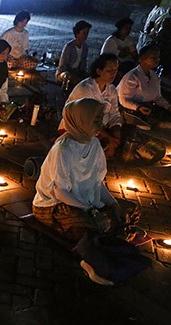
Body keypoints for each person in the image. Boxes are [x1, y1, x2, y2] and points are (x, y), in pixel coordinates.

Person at [32, 98, 140, 249]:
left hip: (86, 202)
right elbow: (60, 191)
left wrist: (113, 204)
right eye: (95, 120)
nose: (101, 125)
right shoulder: (64, 149)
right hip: (55, 204)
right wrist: (92, 211)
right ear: (81, 120)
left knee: (129, 210)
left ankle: (110, 233)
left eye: (100, 119)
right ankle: (109, 235)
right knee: (87, 229)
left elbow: (97, 183)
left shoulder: (94, 143)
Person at [60, 54, 123, 158]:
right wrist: (108, 138)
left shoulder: (111, 90)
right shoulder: (86, 89)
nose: (113, 74)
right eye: (109, 71)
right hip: (78, 130)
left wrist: (116, 134)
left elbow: (114, 114)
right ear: (99, 71)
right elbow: (86, 122)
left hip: (99, 128)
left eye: (115, 70)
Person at [117, 44, 171, 127]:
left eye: (158, 57)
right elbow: (123, 100)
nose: (157, 60)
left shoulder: (154, 77)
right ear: (142, 59)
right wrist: (138, 107)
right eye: (153, 57)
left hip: (146, 109)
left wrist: (168, 107)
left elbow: (157, 97)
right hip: (130, 110)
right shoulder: (132, 77)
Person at [56, 20, 91, 88]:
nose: (86, 36)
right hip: (65, 72)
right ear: (77, 33)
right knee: (68, 76)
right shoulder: (69, 47)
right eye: (84, 33)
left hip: (76, 72)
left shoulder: (85, 47)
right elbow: (63, 66)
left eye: (87, 33)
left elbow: (83, 64)